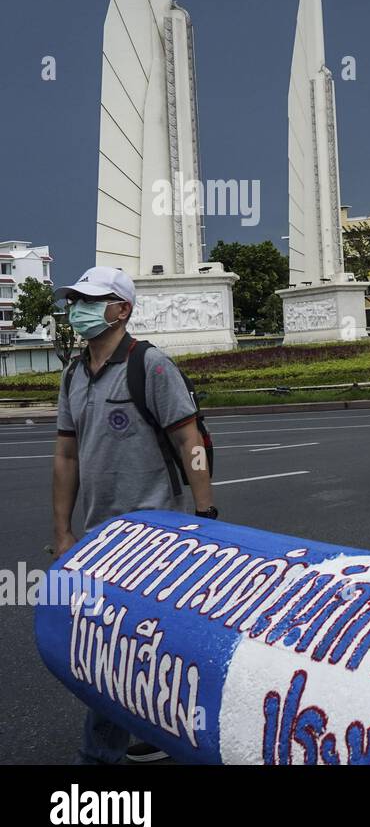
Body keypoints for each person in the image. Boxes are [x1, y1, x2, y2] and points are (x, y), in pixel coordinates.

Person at [51, 266, 218, 765]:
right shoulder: (73, 374)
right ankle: (164, 726)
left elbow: (190, 442)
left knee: (114, 649)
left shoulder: (152, 366)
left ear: (121, 309)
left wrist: (205, 514)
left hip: (157, 534)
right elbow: (66, 455)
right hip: (102, 538)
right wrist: (62, 531)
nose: (78, 308)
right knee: (131, 646)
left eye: (92, 299)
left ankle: (99, 756)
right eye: (76, 299)